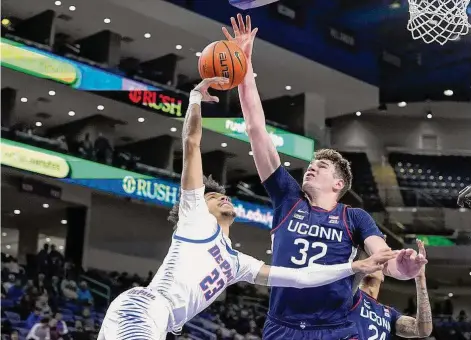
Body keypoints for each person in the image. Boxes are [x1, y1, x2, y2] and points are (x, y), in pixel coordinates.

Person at [97, 77, 397, 340]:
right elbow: (191, 142)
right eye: (214, 198)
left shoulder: (235, 262)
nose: (223, 197)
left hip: (160, 323)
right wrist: (195, 99)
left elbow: (298, 277)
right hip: (142, 309)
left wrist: (353, 267)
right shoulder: (194, 221)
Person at [223, 14, 428, 339]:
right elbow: (256, 129)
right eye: (312, 164)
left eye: (323, 166)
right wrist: (245, 67)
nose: (312, 167)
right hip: (282, 325)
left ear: (339, 184)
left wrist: (402, 268)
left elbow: (381, 258)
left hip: (332, 327)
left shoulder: (354, 217)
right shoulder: (287, 198)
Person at [349, 240, 432, 339]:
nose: (373, 263)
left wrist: (420, 278)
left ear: (383, 275)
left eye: (379, 262)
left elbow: (422, 331)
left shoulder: (388, 314)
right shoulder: (349, 297)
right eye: (368, 259)